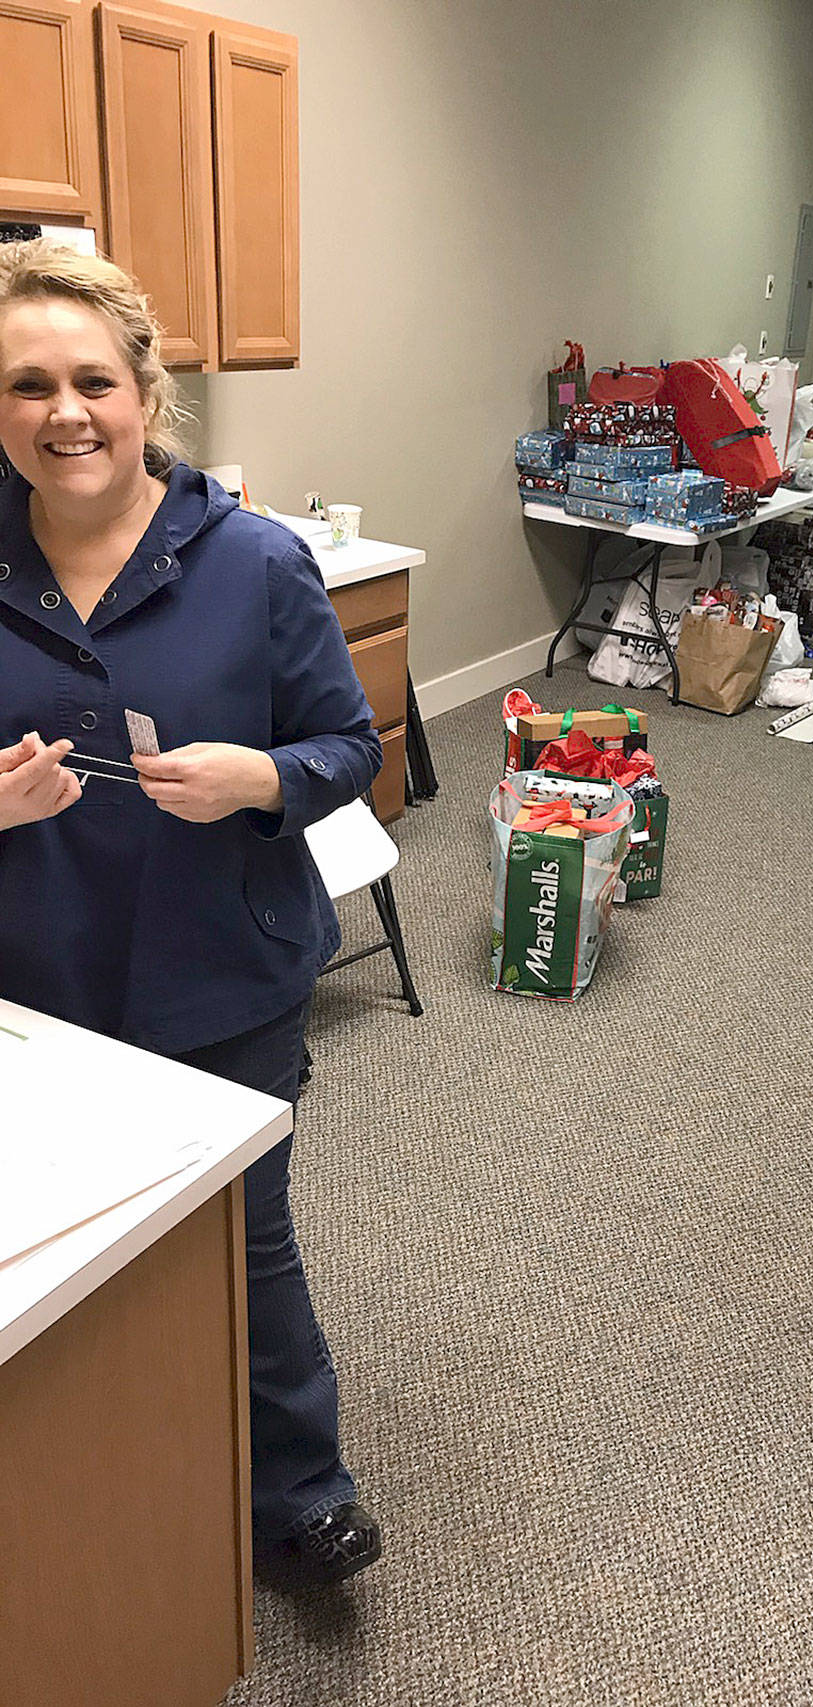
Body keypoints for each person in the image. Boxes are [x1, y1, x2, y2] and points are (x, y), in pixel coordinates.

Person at [0, 240, 384, 1585]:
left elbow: (352, 745)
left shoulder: (256, 562)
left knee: (241, 1237)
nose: (65, 413)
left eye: (92, 381)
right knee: (53, 1249)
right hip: (31, 987)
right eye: (27, 385)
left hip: (222, 974)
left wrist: (260, 779)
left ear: (145, 390)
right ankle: (99, 1474)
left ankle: (300, 1489)